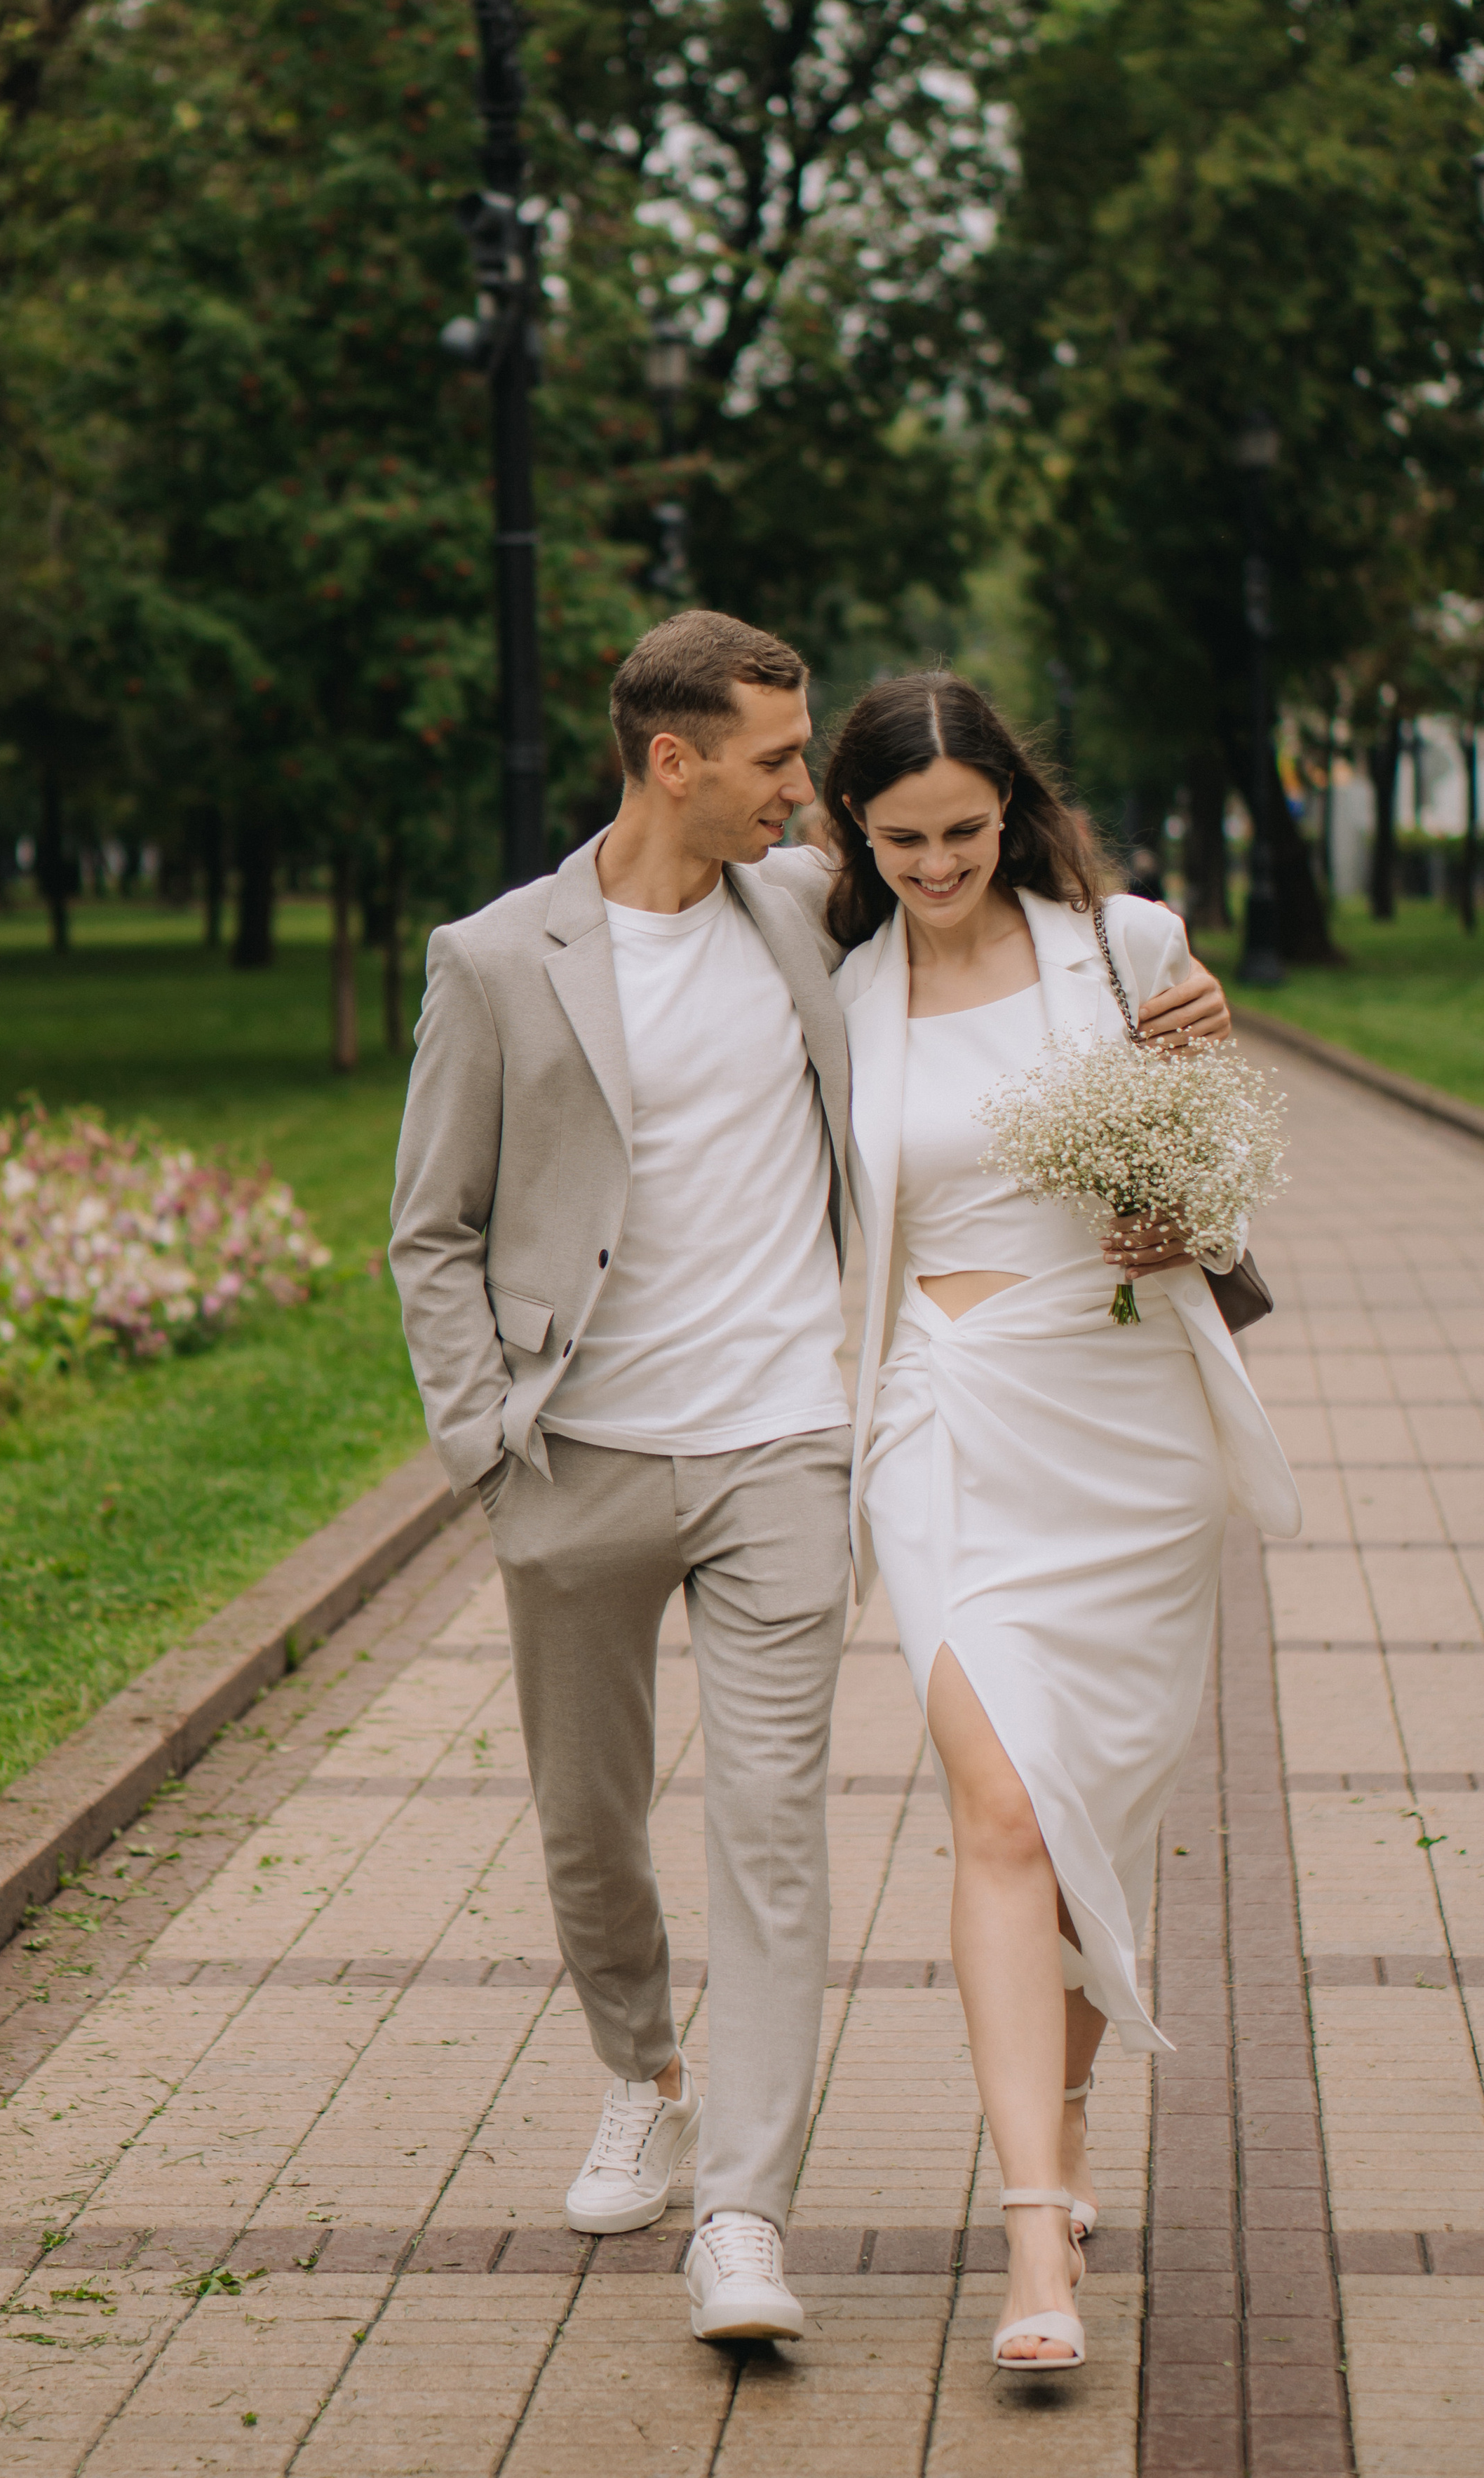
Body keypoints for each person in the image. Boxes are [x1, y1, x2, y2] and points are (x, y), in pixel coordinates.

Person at [389, 612, 1232, 2350]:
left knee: (775, 1838)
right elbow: (429, 1228)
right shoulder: (494, 957)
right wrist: (485, 1447)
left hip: (789, 1440)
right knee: (586, 1828)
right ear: (669, 762)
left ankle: (741, 2220)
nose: (817, 803)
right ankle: (645, 2065)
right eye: (779, 764)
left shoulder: (803, 914)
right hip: (579, 1456)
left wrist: (1179, 1004)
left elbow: (1025, 936)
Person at [822, 672, 1300, 2372]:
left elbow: (1216, 1176)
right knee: (1003, 1806)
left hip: (1123, 1434)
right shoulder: (836, 987)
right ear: (851, 833)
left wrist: (1180, 1210)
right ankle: (1037, 2243)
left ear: (1007, 811)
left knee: (1084, 1806)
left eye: (963, 831)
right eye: (900, 840)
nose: (936, 863)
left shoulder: (1124, 946)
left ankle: (1067, 2127)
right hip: (937, 1415)